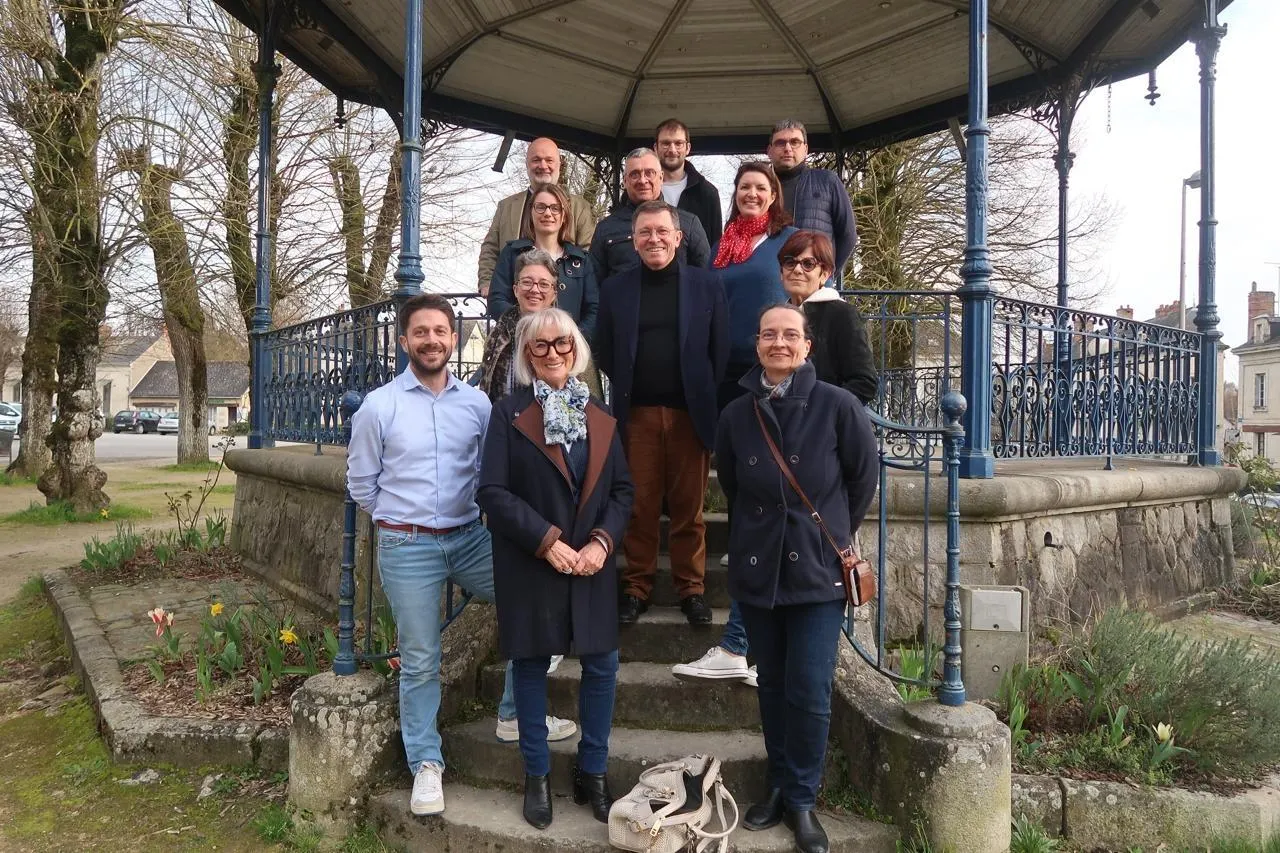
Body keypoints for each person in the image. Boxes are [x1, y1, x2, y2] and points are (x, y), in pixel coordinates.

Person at [346, 293, 576, 819]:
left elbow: (490, 472)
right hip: (408, 545)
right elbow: (361, 484)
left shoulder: (477, 406)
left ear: (454, 338)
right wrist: (400, 519)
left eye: (440, 332)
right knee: (421, 657)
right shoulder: (379, 407)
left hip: (470, 538)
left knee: (534, 605)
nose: (431, 340)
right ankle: (426, 762)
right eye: (420, 332)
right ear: (404, 341)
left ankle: (514, 715)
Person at [674, 230, 881, 689]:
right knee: (761, 545)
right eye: (789, 262)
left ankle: (737, 647)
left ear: (826, 271)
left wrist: (818, 415)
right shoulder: (782, 315)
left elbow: (863, 383)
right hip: (771, 460)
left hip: (815, 467)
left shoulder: (838, 315)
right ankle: (739, 648)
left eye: (809, 264)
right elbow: (732, 480)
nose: (797, 270)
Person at [718, 303, 877, 853]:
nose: (779, 343)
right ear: (757, 344)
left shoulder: (838, 405)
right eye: (769, 334)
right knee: (771, 685)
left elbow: (861, 480)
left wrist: (827, 533)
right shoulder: (736, 413)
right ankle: (779, 784)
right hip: (759, 569)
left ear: (807, 346)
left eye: (790, 335)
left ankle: (803, 799)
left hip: (816, 570)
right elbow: (734, 487)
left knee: (809, 688)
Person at [478, 308, 634, 830]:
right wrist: (546, 541)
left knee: (602, 666)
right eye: (540, 345)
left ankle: (593, 772)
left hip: (591, 563)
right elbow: (492, 492)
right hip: (532, 561)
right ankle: (537, 775)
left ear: (576, 349)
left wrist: (602, 543)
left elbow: (622, 491)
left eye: (562, 343)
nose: (553, 353)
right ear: (527, 354)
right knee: (529, 666)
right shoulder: (508, 413)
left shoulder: (601, 413)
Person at [594, 200, 728, 625]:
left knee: (689, 510)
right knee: (640, 507)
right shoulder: (615, 290)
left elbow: (720, 350)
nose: (654, 239)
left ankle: (692, 590)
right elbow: (605, 351)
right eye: (645, 232)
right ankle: (637, 588)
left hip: (691, 414)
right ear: (633, 240)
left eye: (661, 231)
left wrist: (701, 391)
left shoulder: (706, 285)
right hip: (637, 415)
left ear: (678, 237)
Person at [711, 161, 797, 413]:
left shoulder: (791, 240)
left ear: (773, 196)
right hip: (725, 368)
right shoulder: (720, 247)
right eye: (744, 187)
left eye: (760, 188)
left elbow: (814, 294)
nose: (751, 193)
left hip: (772, 365)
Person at [479, 248, 603, 408]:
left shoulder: (568, 334)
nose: (534, 289)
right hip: (506, 420)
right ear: (516, 290)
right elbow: (488, 390)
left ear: (554, 293)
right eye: (527, 282)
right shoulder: (498, 336)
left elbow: (591, 399)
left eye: (544, 284)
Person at [477, 137, 596, 295]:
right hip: (512, 298)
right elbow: (490, 248)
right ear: (527, 164)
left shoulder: (580, 207)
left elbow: (588, 252)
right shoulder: (506, 206)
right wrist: (487, 283)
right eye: (536, 160)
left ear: (560, 164)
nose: (543, 165)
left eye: (549, 160)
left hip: (563, 298)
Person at [486, 182, 601, 339]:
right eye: (540, 207)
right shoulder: (512, 253)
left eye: (555, 208)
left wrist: (572, 340)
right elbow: (497, 300)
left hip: (570, 347)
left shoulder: (580, 261)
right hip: (521, 342)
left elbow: (593, 309)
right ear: (531, 213)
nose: (547, 213)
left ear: (564, 216)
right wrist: (530, 330)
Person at [589, 148, 711, 281]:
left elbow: (706, 278)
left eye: (649, 173)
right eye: (634, 174)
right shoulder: (606, 228)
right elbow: (593, 283)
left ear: (661, 177)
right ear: (625, 181)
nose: (642, 180)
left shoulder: (689, 223)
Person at [766, 119, 857, 280]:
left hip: (813, 281)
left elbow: (848, 234)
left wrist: (827, 276)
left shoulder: (827, 181)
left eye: (795, 142)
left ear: (806, 149)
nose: (788, 148)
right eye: (780, 143)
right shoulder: (760, 187)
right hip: (769, 280)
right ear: (769, 150)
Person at [655, 117, 723, 245]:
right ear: (655, 148)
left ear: (688, 148)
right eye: (666, 143)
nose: (672, 150)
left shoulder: (707, 193)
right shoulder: (642, 191)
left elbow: (715, 244)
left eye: (678, 143)